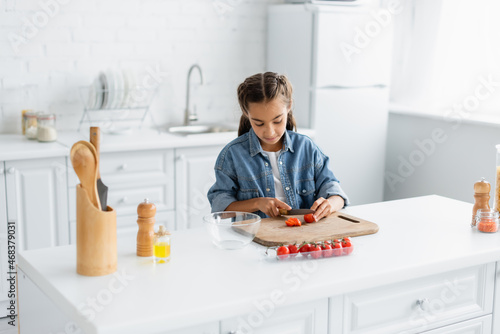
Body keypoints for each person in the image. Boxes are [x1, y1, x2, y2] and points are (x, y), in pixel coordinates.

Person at [207, 72, 349, 220]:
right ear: (246, 113)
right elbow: (220, 208)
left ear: (289, 106)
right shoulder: (232, 155)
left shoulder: (306, 148)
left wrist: (330, 204)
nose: (270, 132)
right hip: (253, 239)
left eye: (277, 121)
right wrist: (257, 203)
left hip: (302, 238)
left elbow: (334, 191)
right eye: (259, 123)